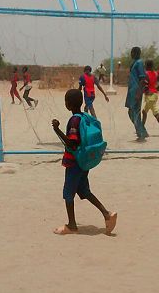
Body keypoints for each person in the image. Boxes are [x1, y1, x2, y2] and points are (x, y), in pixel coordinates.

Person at [51, 89, 117, 235]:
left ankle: (72, 225)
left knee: (68, 193)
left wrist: (57, 129)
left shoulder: (74, 120)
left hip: (74, 162)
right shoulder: (84, 116)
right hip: (83, 161)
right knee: (84, 191)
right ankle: (107, 214)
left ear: (67, 104)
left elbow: (72, 143)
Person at [125, 46, 148, 141]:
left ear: (136, 53)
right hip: (131, 91)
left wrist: (139, 92)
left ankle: (141, 134)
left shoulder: (139, 63)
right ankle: (142, 131)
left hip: (136, 91)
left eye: (132, 52)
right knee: (131, 112)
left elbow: (143, 78)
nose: (131, 54)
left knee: (135, 112)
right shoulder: (134, 63)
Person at [142, 60, 159, 137]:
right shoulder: (156, 73)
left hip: (150, 96)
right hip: (154, 94)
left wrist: (146, 91)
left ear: (146, 65)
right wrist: (157, 88)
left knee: (155, 113)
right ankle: (142, 128)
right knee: (144, 112)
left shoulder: (146, 74)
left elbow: (145, 85)